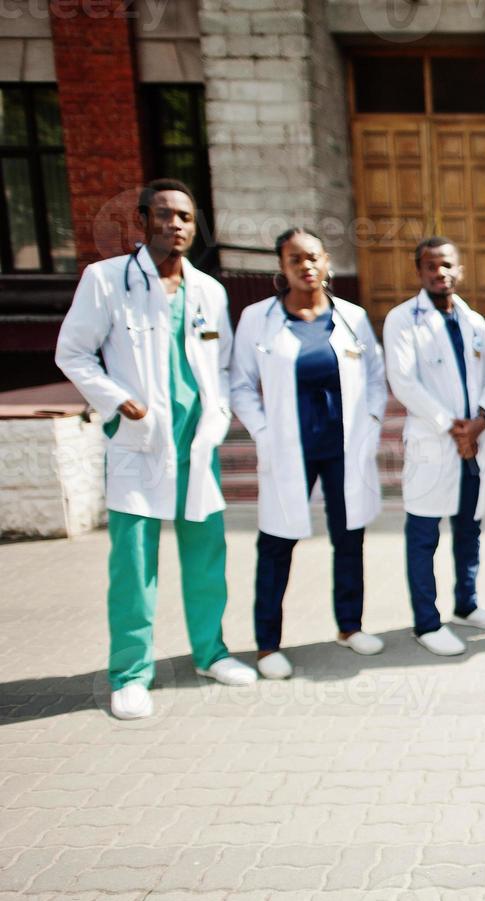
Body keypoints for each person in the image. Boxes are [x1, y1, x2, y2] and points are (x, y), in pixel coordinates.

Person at [55, 178, 257, 718]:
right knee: (134, 565)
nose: (176, 225)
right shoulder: (106, 280)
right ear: (143, 222)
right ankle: (129, 673)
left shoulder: (209, 291)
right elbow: (72, 353)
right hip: (139, 444)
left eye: (186, 218)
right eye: (165, 215)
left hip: (198, 445)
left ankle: (210, 653)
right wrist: (119, 401)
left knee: (207, 557)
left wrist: (219, 416)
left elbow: (223, 366)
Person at [230, 228, 388, 680]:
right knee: (277, 543)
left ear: (327, 262)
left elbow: (374, 377)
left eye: (313, 257)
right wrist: (262, 431)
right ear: (282, 267)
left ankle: (350, 626)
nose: (306, 266)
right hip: (288, 449)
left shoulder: (352, 316)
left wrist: (373, 423)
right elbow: (240, 383)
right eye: (295, 259)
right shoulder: (258, 318)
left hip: (342, 448)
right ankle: (267, 644)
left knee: (349, 536)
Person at [383, 237, 485, 656]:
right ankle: (426, 622)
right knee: (423, 534)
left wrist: (480, 421)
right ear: (419, 272)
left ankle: (466, 604)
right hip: (433, 444)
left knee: (468, 527)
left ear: (460, 270)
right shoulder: (402, 319)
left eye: (448, 265)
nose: (440, 273)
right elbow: (403, 381)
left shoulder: (475, 321)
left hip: (474, 442)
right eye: (431, 266)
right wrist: (452, 427)